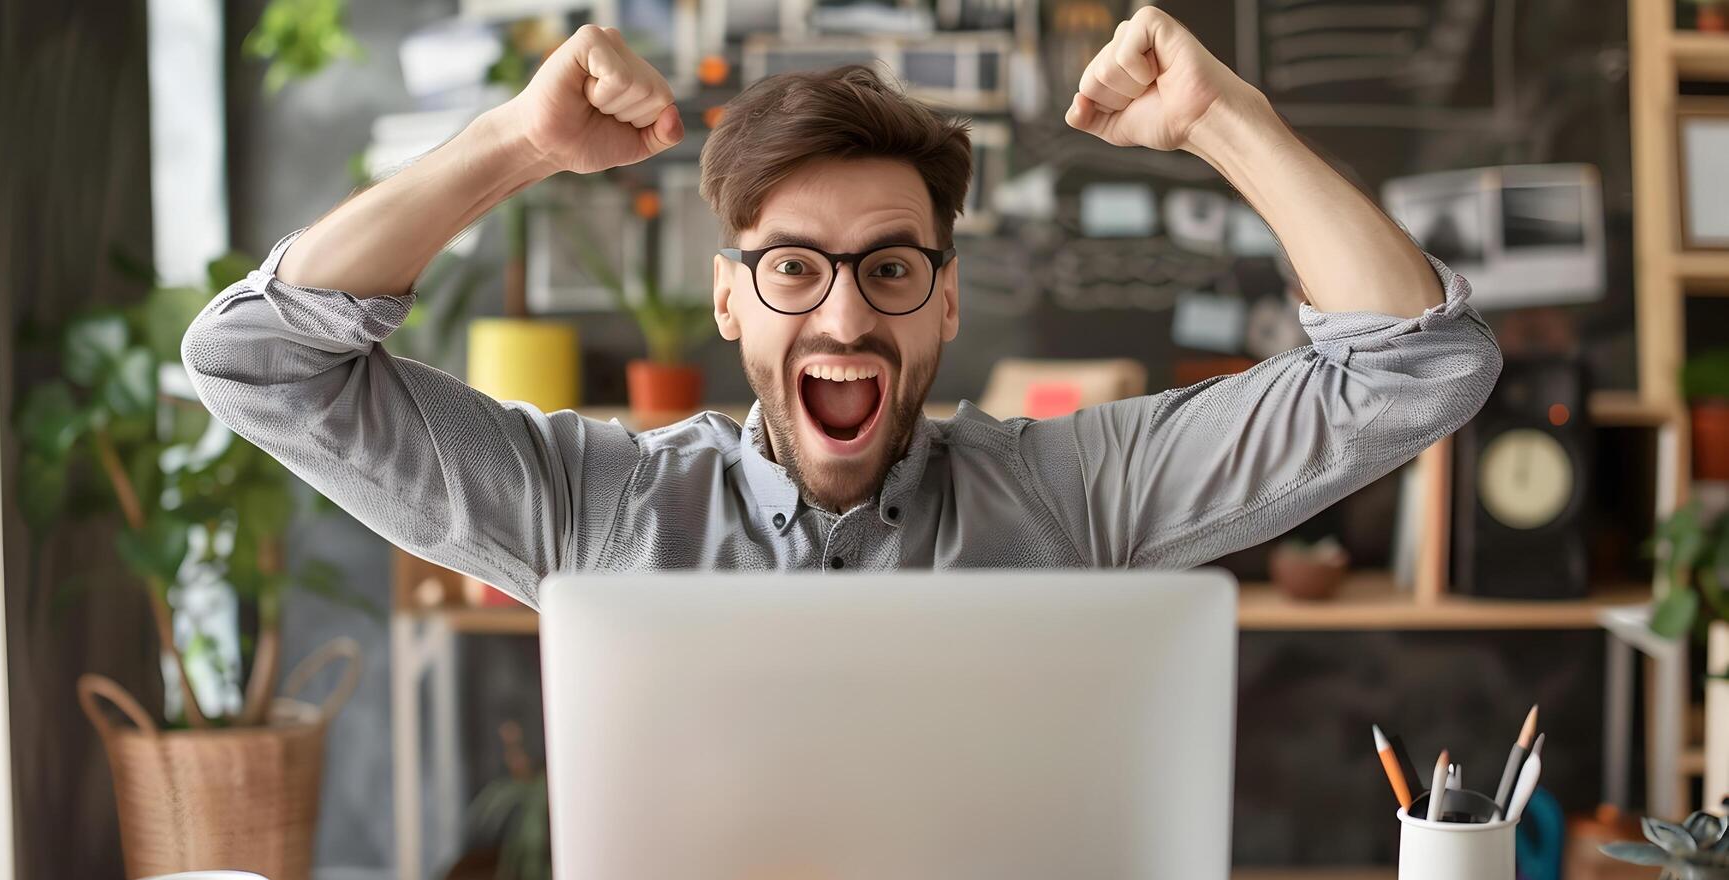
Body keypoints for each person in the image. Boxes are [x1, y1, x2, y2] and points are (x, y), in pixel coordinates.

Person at [182, 10, 1501, 606]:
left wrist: (1224, 118)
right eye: (792, 268)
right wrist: (510, 144)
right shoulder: (593, 511)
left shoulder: (1075, 494)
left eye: (891, 268)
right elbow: (255, 362)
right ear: (729, 302)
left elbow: (1415, 368)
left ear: (946, 302)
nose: (844, 318)